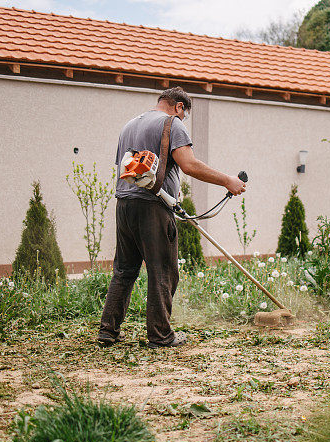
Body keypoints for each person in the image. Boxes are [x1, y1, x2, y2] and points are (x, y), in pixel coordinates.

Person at [97, 87, 246, 348]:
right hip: (153, 207)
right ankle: (160, 335)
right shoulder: (172, 124)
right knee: (163, 270)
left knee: (124, 270)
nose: (183, 120)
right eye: (184, 114)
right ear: (179, 107)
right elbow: (189, 164)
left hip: (125, 204)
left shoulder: (129, 125)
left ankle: (108, 331)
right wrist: (227, 181)